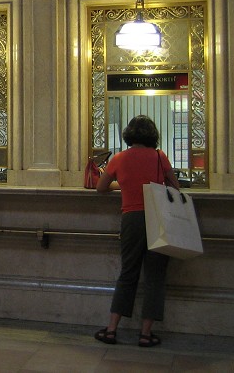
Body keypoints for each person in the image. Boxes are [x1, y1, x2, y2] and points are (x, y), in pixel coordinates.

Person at [94, 115, 181, 348]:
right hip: (158, 219)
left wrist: (123, 184)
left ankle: (111, 330)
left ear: (128, 134)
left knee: (128, 273)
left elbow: (101, 188)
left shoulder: (119, 159)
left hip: (131, 218)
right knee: (154, 277)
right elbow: (175, 187)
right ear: (152, 135)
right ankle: (145, 334)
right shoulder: (159, 157)